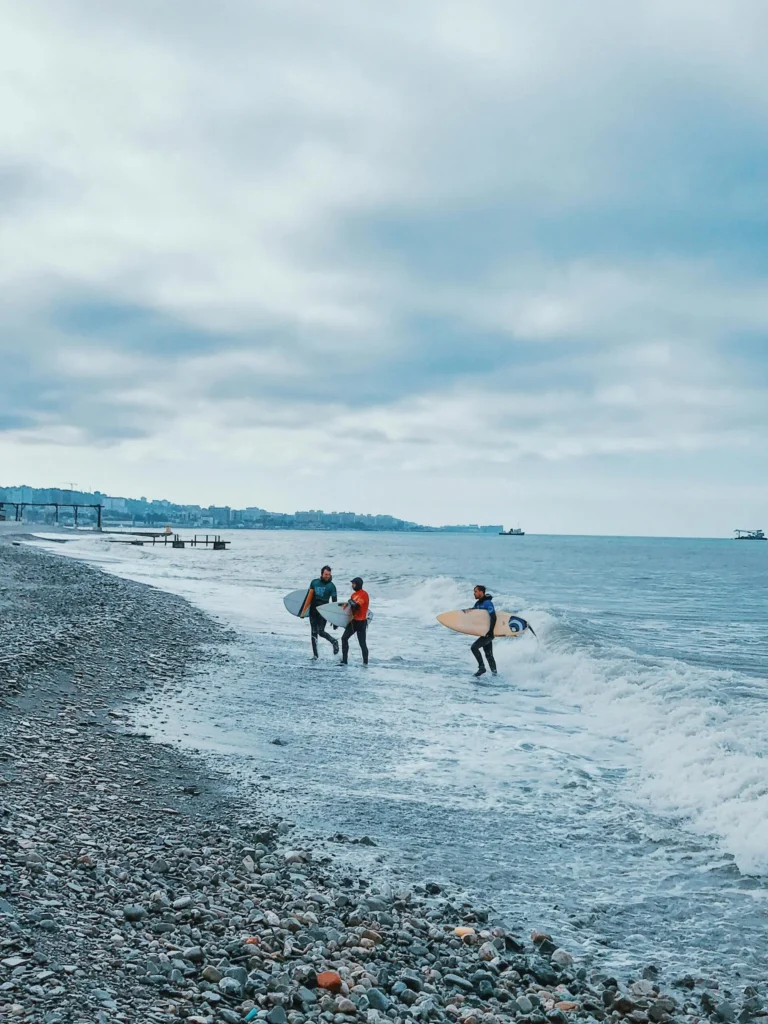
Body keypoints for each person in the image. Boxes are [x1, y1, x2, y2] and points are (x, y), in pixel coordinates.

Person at [307, 565, 339, 659]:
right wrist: (303, 611)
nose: (327, 576)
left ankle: (334, 642)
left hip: (324, 610)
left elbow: (334, 604)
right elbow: (308, 598)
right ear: (322, 573)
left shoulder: (332, 586)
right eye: (326, 574)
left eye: (329, 575)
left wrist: (335, 620)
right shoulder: (314, 582)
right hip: (313, 609)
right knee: (313, 632)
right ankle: (315, 655)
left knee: (320, 631)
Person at [340, 576, 369, 665]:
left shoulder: (364, 594)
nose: (352, 585)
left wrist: (351, 602)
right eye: (352, 584)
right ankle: (344, 661)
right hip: (353, 621)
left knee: (362, 644)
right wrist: (338, 621)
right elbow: (350, 609)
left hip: (361, 622)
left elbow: (356, 606)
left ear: (358, 584)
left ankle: (365, 663)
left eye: (353, 584)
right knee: (344, 638)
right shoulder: (353, 595)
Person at [469, 584, 497, 677]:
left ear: (481, 592)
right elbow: (474, 613)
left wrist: (490, 631)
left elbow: (493, 617)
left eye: (476, 592)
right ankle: (495, 674)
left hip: (489, 633)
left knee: (474, 647)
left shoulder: (487, 603)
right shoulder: (478, 604)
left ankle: (482, 668)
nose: (474, 594)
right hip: (484, 632)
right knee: (489, 655)